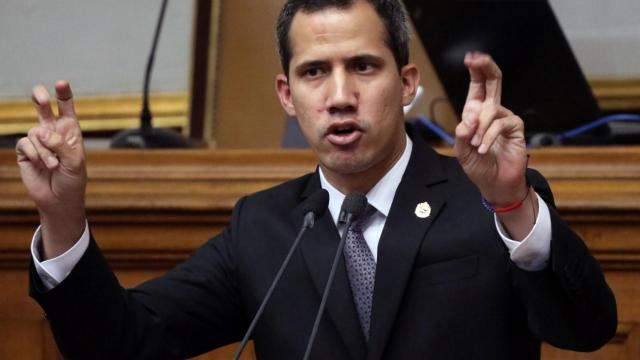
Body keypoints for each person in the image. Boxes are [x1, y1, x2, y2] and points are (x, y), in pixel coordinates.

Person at [17, 0, 616, 359]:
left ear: (407, 84)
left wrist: (512, 203)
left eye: (362, 66)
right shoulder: (264, 226)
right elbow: (124, 345)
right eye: (313, 72)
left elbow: (586, 329)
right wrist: (62, 217)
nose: (339, 96)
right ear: (287, 94)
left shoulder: (488, 201)